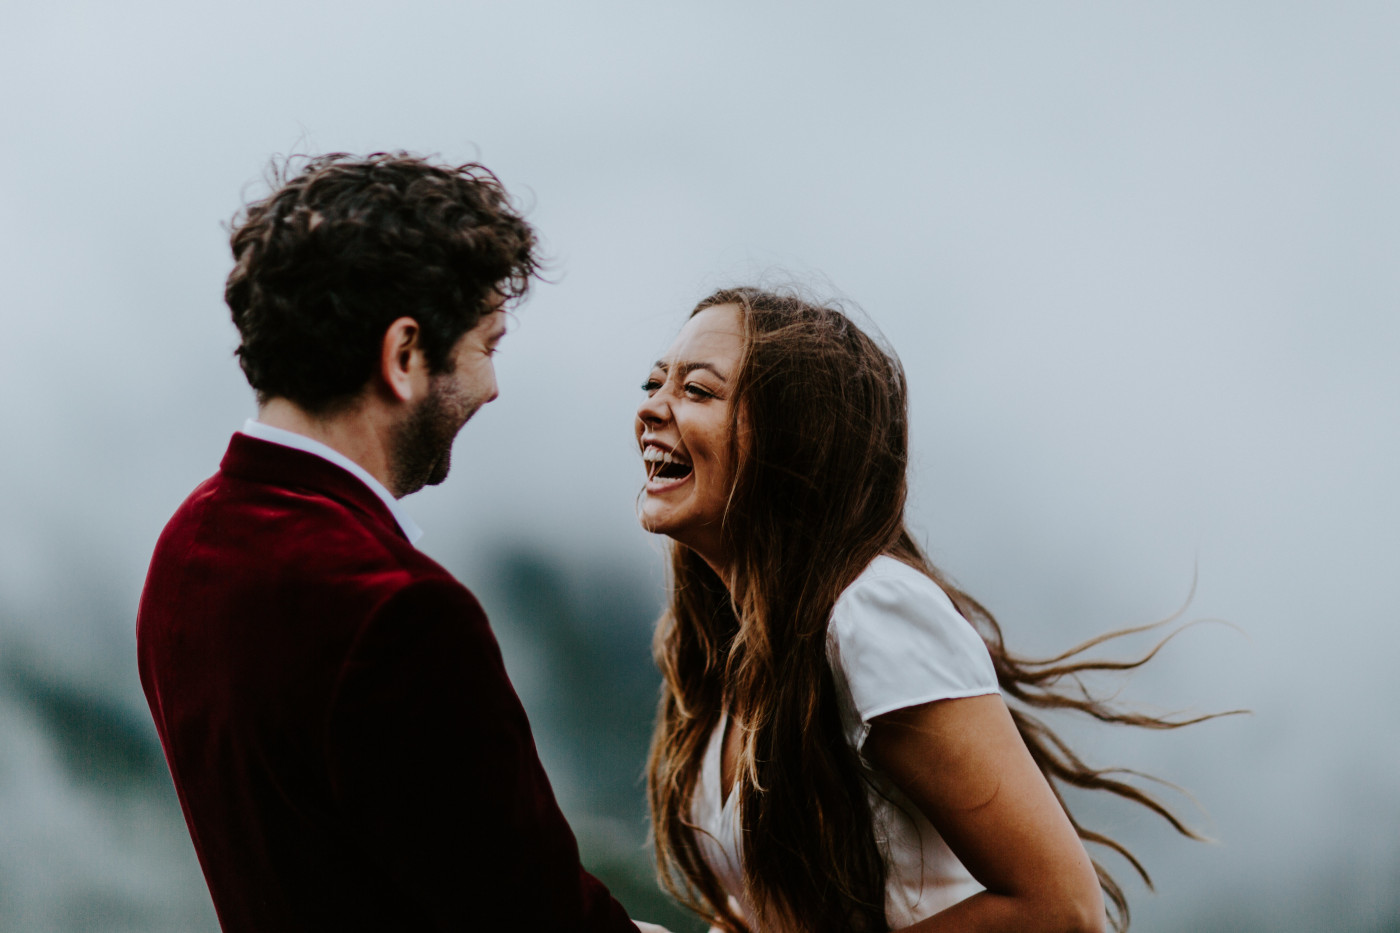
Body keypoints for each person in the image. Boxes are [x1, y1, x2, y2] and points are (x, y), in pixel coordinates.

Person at [137, 152, 670, 933]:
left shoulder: (187, 543)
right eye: (488, 344)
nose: (493, 386)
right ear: (405, 355)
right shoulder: (401, 614)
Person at [636, 287, 1222, 933]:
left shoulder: (872, 612)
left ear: (794, 435)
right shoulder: (734, 653)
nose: (651, 409)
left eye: (697, 391)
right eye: (654, 382)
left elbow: (1061, 909)